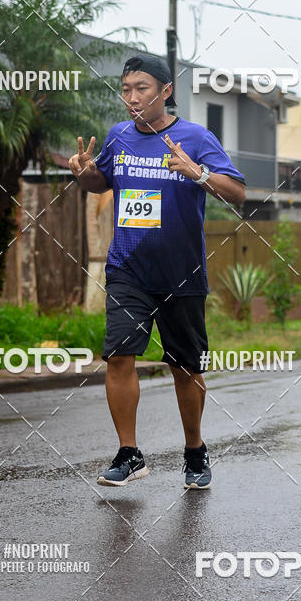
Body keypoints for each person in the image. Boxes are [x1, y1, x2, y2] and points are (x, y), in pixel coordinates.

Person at [68, 55, 246, 489]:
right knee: (118, 356)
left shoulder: (196, 137)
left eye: (141, 88)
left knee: (185, 368)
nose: (132, 97)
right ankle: (129, 454)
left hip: (182, 273)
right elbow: (101, 182)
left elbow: (239, 193)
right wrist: (84, 173)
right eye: (126, 89)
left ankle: (195, 450)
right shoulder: (119, 137)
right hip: (128, 269)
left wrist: (197, 171)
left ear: (166, 91)